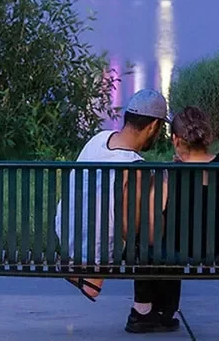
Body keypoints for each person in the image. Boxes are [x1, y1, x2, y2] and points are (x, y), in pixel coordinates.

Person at [126, 106, 219, 334]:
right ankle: (164, 313)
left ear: (175, 139)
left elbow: (151, 232)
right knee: (167, 244)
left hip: (182, 250)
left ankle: (142, 311)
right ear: (207, 135)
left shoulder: (168, 176)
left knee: (151, 241)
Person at [57, 89, 169, 317]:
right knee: (154, 235)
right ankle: (148, 310)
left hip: (66, 232)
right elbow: (131, 230)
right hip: (97, 251)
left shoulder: (99, 139)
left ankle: (86, 273)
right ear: (153, 127)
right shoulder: (136, 167)